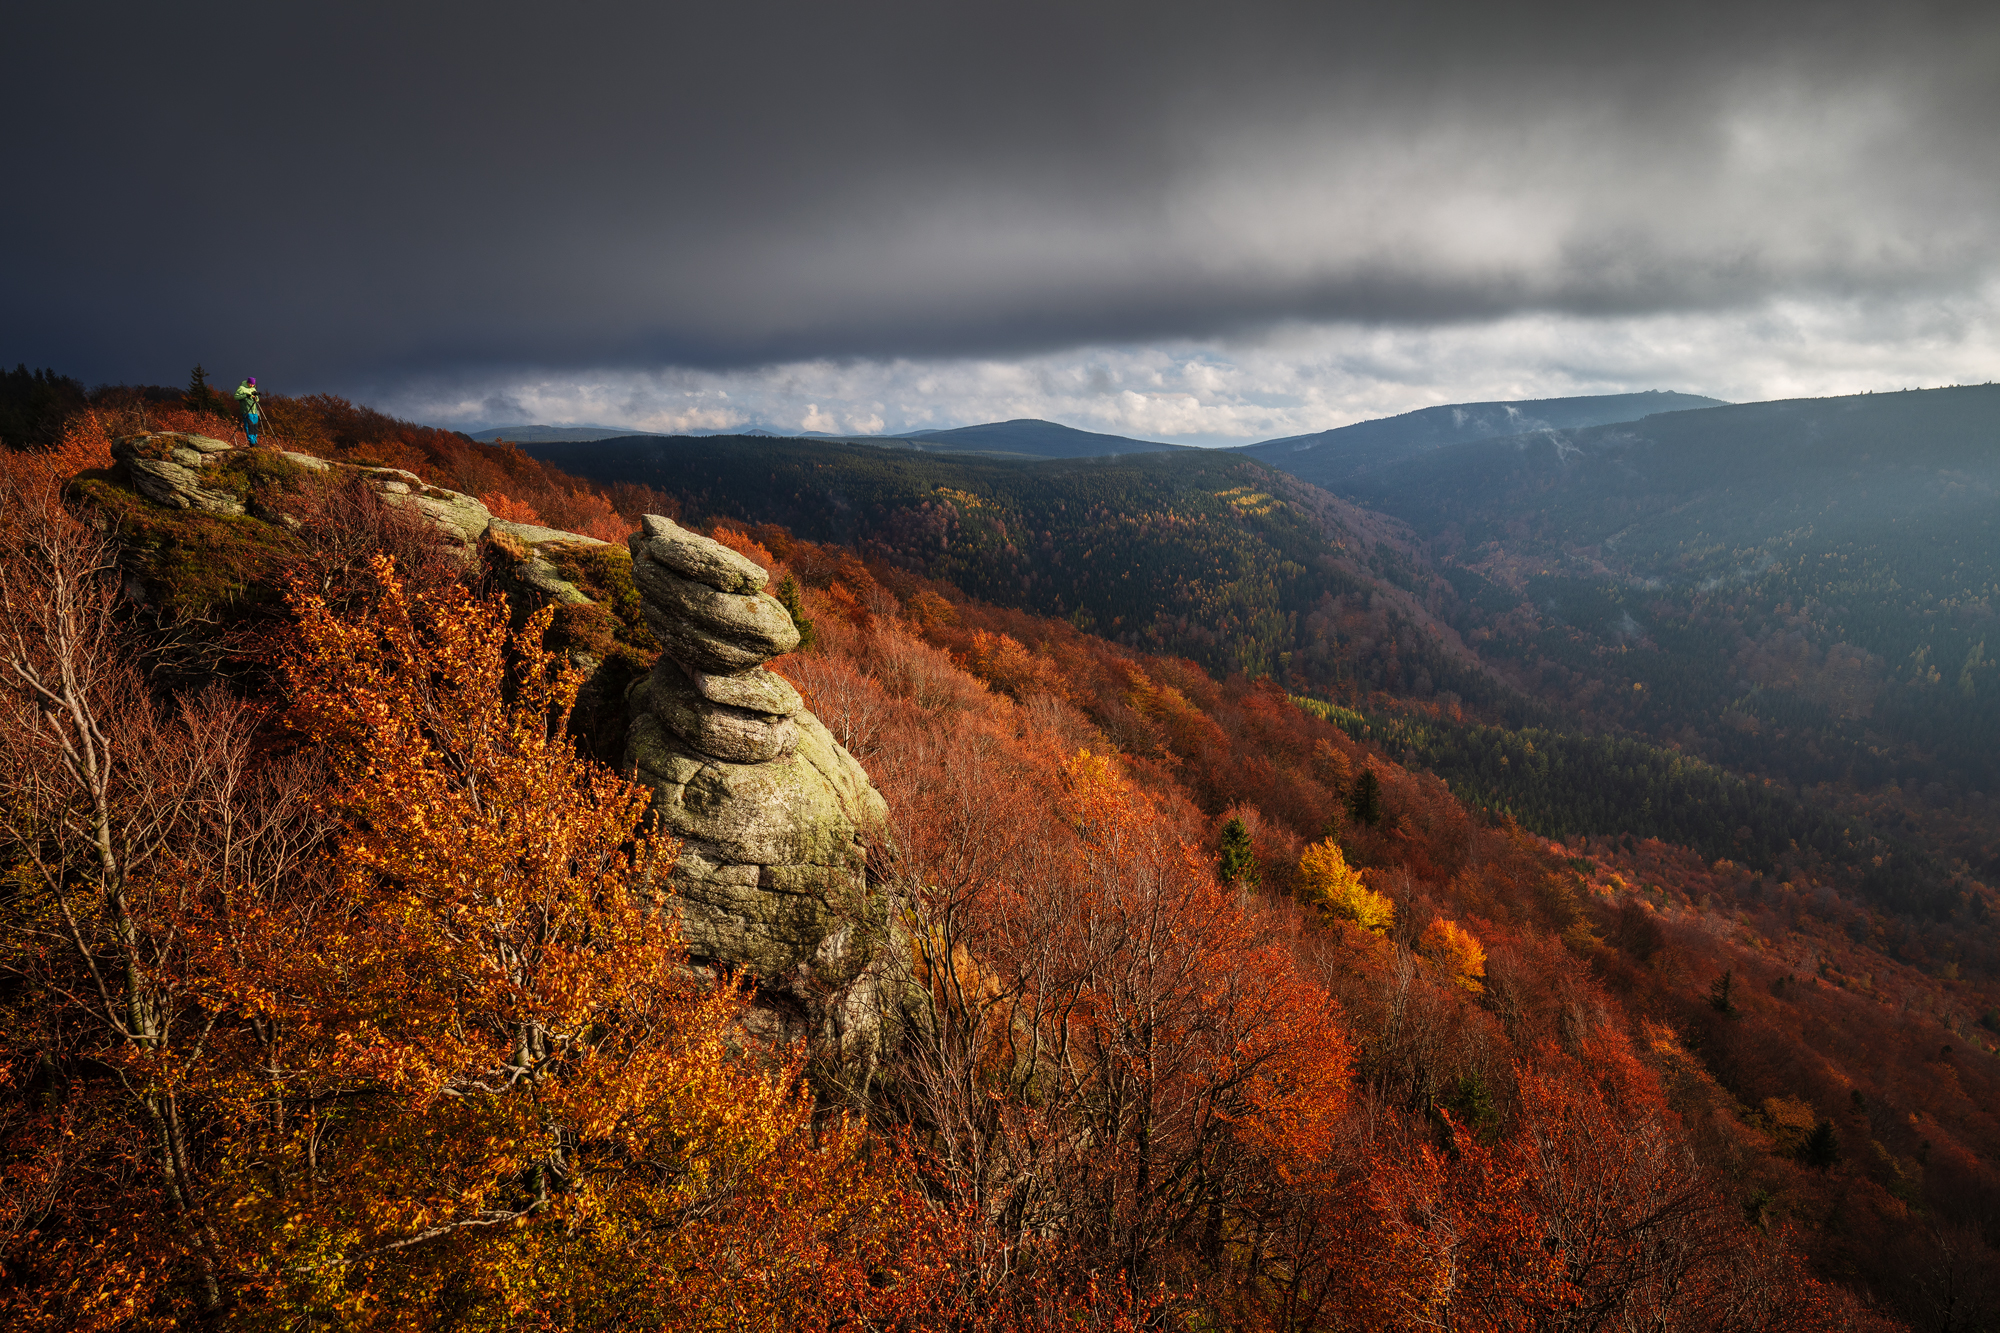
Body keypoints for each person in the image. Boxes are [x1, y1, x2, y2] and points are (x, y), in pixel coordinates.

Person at [234, 376, 262, 445]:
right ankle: (252, 442)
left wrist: (255, 397)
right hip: (246, 410)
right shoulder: (241, 388)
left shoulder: (253, 389)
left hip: (254, 410)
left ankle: (255, 441)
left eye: (253, 384)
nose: (252, 385)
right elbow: (235, 397)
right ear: (247, 382)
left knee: (255, 426)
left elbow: (257, 399)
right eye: (250, 384)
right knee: (249, 425)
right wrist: (246, 395)